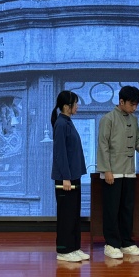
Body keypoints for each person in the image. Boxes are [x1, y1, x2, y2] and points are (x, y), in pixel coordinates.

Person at [96, 85, 139, 259]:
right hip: (112, 172)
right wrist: (107, 170)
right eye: (132, 104)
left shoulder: (134, 119)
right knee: (111, 209)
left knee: (127, 208)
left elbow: (137, 142)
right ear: (121, 101)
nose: (134, 108)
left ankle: (126, 242)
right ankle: (111, 244)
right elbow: (103, 145)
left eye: (136, 105)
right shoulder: (108, 118)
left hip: (129, 171)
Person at [51, 90, 88, 263]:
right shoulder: (60, 124)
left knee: (73, 214)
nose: (77, 106)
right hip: (66, 179)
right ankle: (64, 251)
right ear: (67, 106)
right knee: (66, 215)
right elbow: (60, 153)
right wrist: (65, 177)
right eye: (75, 103)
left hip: (74, 176)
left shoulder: (67, 121)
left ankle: (74, 247)